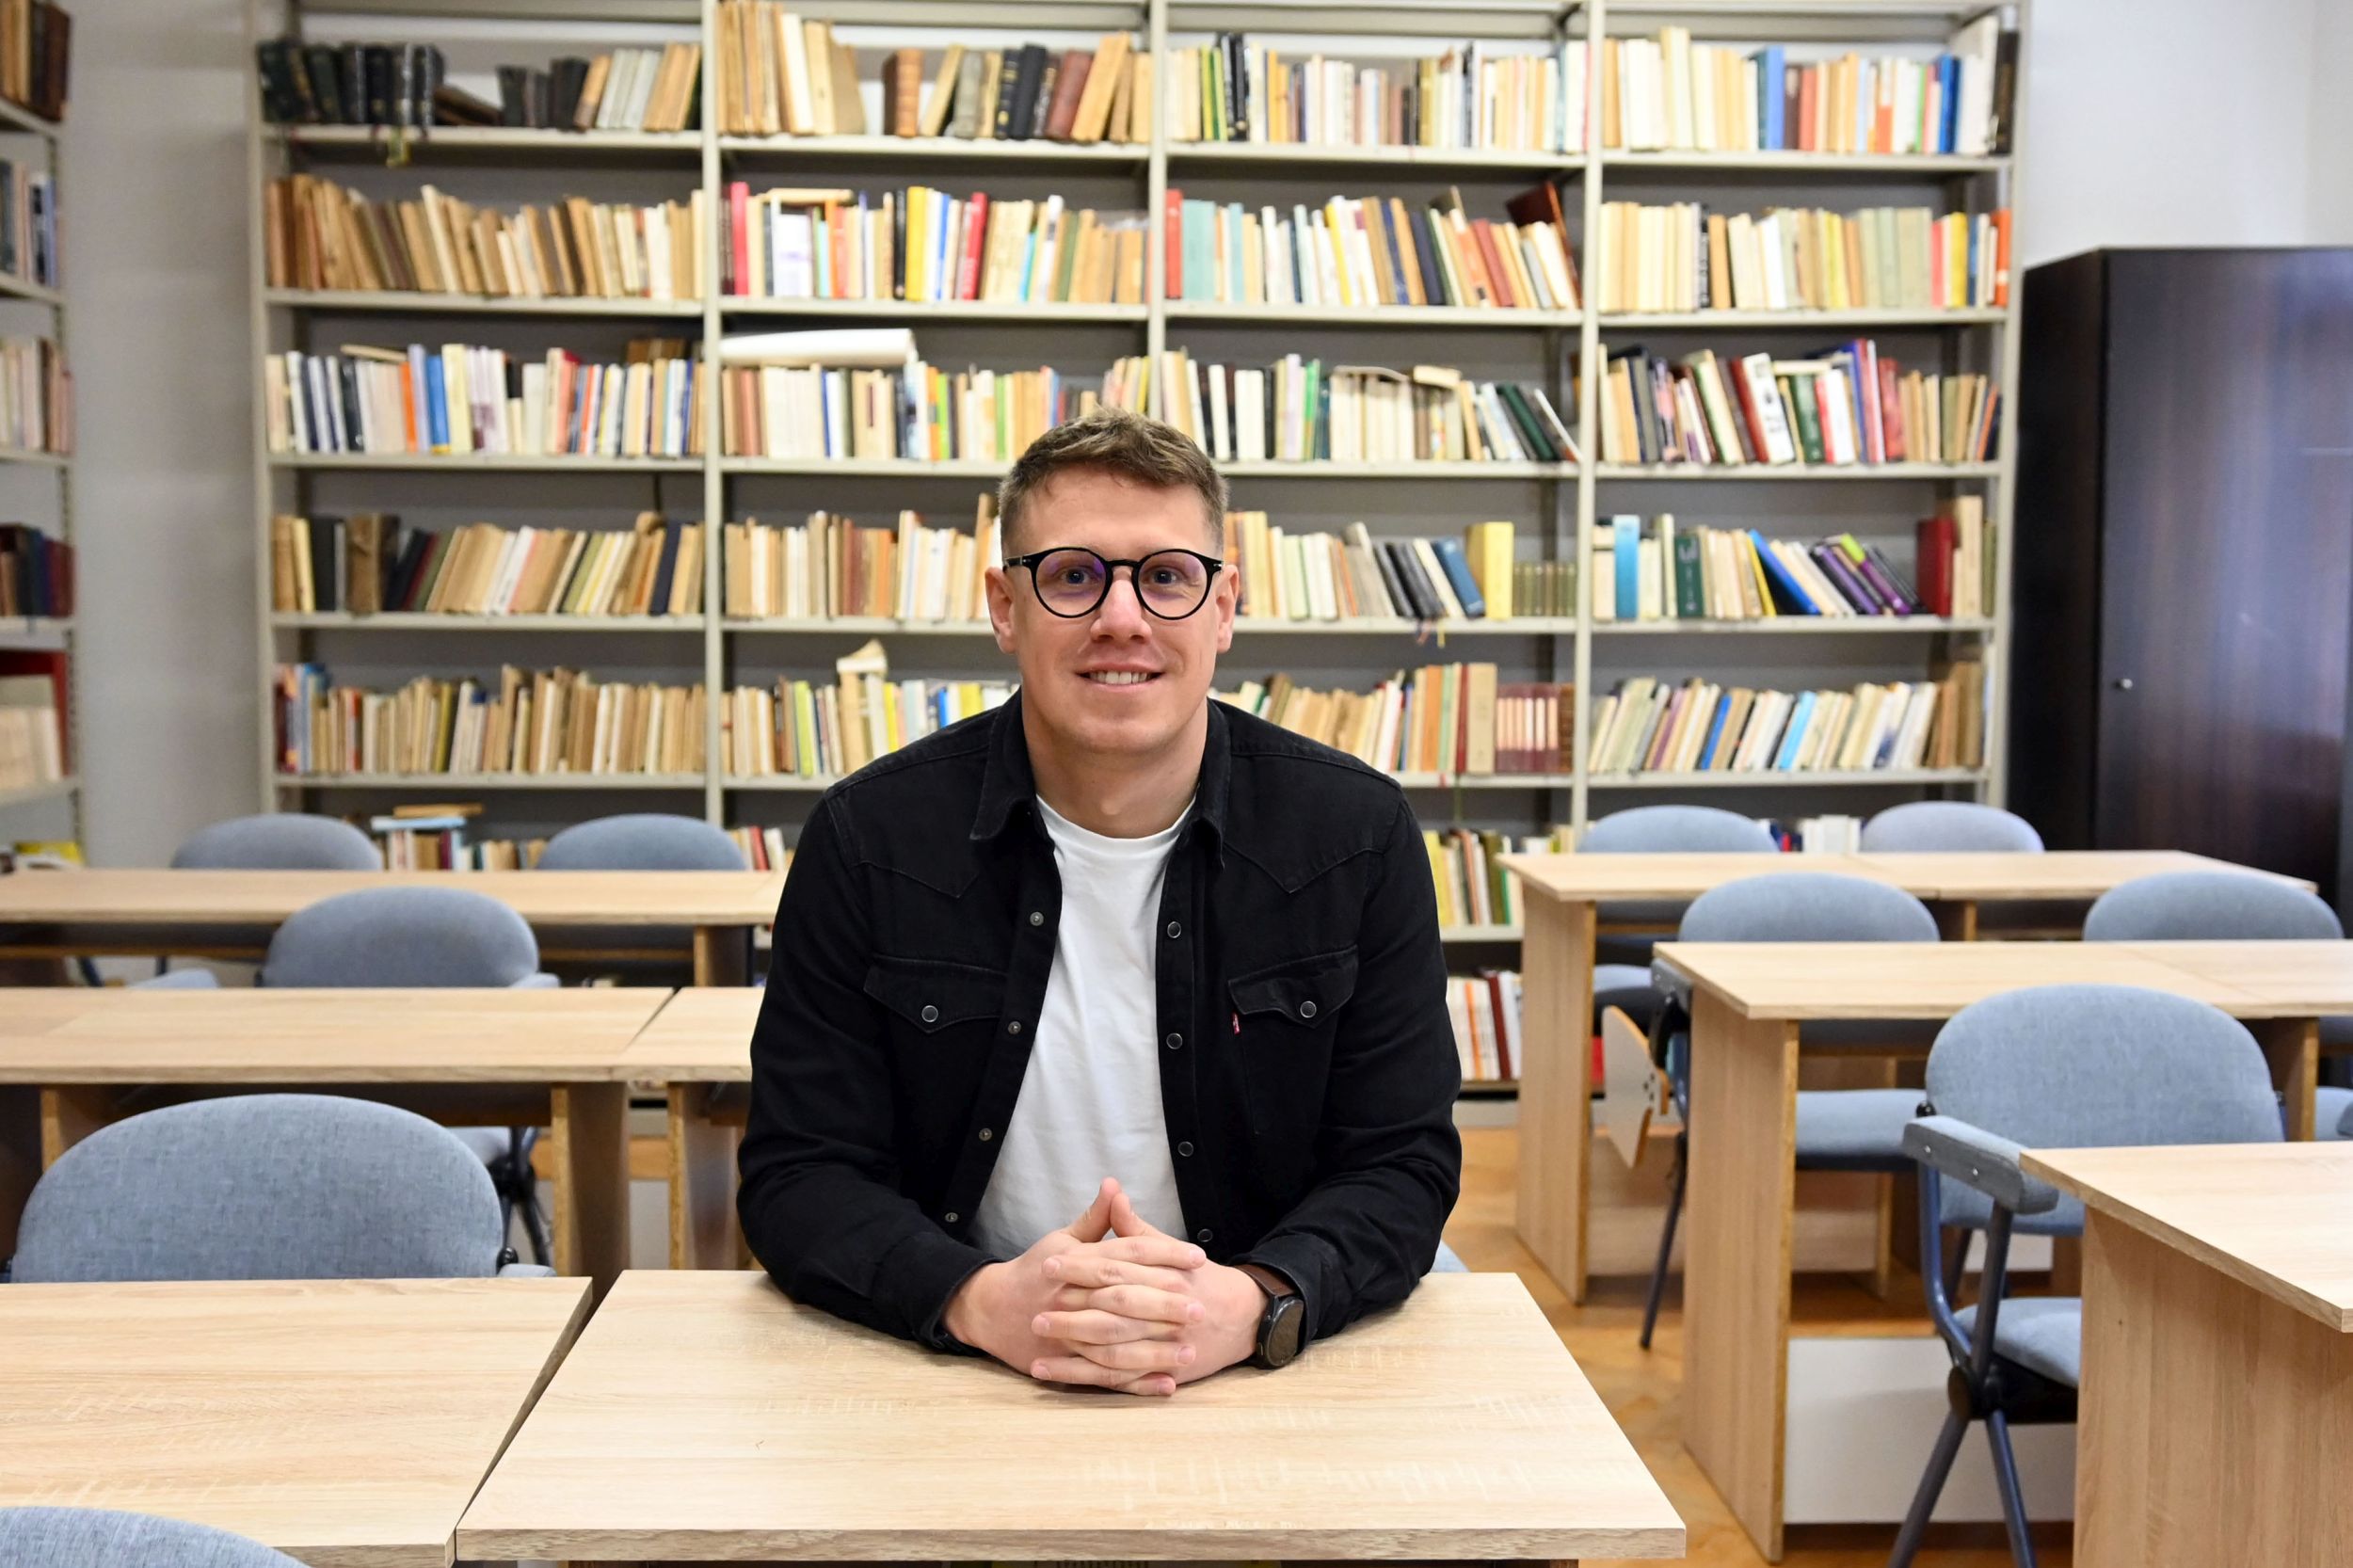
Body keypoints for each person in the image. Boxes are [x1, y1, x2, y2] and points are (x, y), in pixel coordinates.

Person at [739, 406, 1461, 1396]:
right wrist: (974, 1299)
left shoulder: (1356, 836)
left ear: (1222, 608)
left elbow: (1401, 1162)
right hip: (959, 1358)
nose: (1123, 618)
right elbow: (799, 1173)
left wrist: (1255, 1301)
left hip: (1259, 1361)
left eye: (1166, 577)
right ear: (1005, 607)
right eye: (1074, 576)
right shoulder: (867, 841)